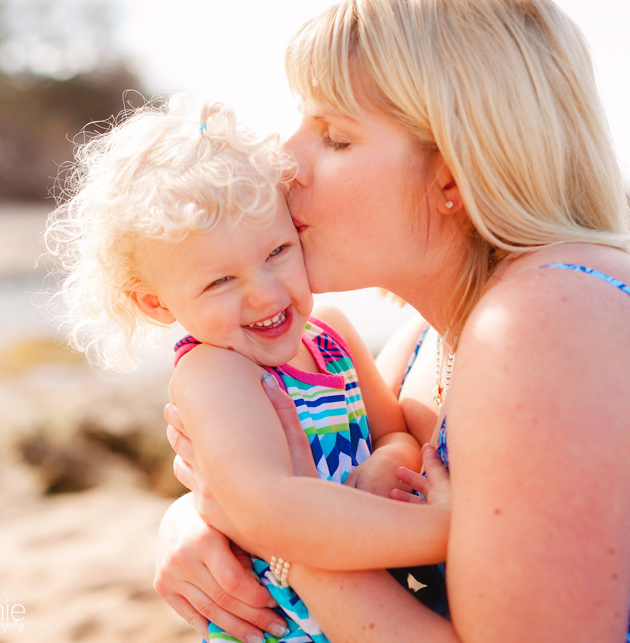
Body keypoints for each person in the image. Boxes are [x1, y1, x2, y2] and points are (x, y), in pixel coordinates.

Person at [154, 1, 630, 642]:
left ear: (450, 176)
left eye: (334, 137)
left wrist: (281, 541)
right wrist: (198, 519)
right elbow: (315, 484)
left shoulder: (550, 321)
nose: (284, 161)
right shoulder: (426, 344)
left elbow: (294, 514)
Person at [42, 96, 453, 642]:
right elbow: (272, 513)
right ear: (157, 305)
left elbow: (393, 429)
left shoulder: (334, 337)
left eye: (278, 251)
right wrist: (440, 532)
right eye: (220, 282)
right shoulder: (215, 375)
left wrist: (387, 463)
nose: (265, 294)